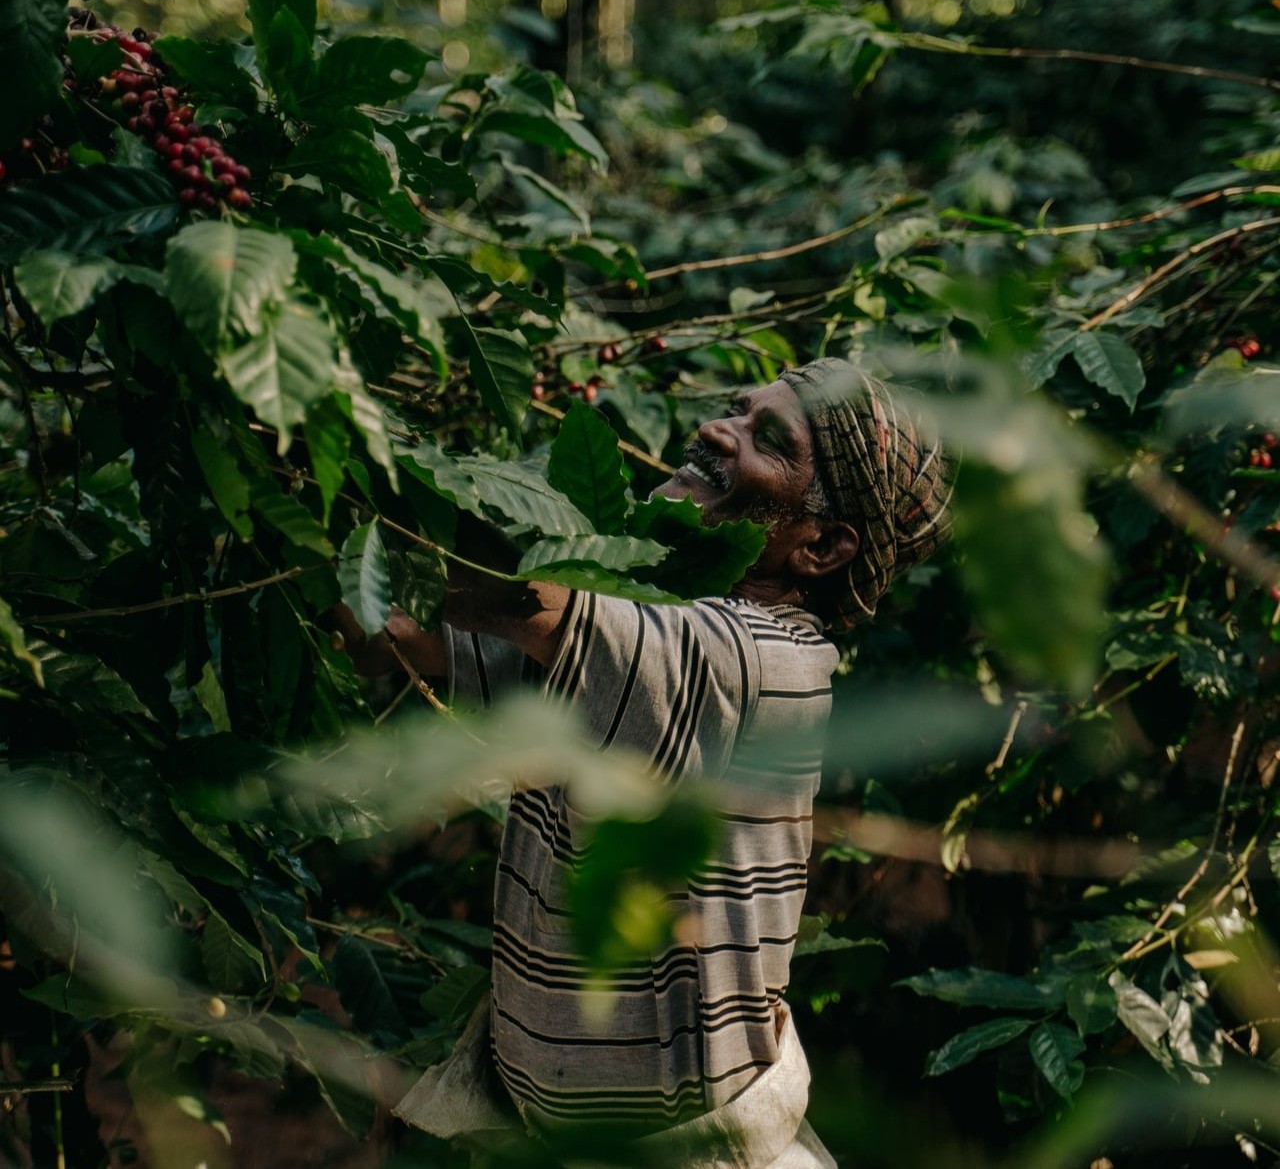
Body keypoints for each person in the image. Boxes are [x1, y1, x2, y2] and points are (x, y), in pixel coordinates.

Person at [337, 357, 952, 1168]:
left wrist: (357, 453)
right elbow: (390, 634)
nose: (712, 432)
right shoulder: (648, 621)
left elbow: (521, 596)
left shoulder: (765, 665)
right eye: (737, 408)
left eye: (768, 438)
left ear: (823, 546)